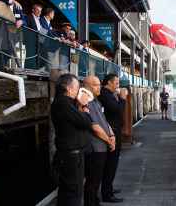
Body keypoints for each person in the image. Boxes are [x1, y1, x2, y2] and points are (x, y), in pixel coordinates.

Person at [51, 73, 93, 206]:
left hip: (72, 155)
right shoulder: (63, 103)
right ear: (69, 89)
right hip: (70, 157)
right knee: (73, 193)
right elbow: (86, 122)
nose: (77, 91)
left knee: (69, 192)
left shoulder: (67, 103)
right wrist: (85, 107)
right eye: (76, 88)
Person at [83, 76, 116, 206]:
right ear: (89, 86)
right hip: (94, 147)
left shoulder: (96, 101)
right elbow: (94, 127)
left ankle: (95, 202)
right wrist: (109, 140)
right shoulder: (86, 102)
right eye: (96, 85)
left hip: (102, 146)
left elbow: (104, 120)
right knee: (92, 181)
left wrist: (112, 135)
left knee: (97, 180)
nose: (99, 87)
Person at [98, 73, 127, 203]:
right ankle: (107, 194)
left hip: (114, 131)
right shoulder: (105, 94)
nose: (118, 85)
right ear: (109, 82)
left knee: (112, 164)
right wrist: (122, 98)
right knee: (111, 164)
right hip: (111, 133)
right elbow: (118, 110)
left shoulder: (108, 94)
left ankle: (108, 188)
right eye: (116, 82)